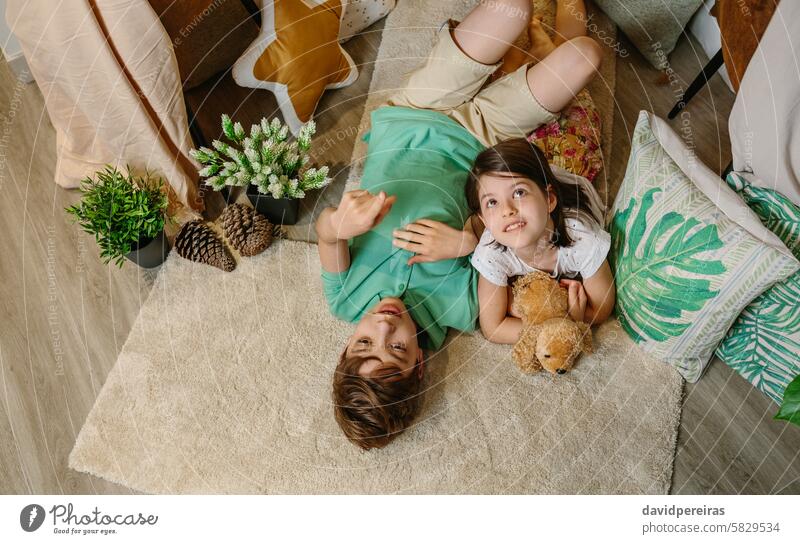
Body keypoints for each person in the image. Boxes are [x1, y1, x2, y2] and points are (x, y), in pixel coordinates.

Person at [316, 0, 603, 449]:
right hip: (481, 139)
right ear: (420, 364)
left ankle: (511, 49)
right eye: (396, 350)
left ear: (345, 346)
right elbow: (510, 244)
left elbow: (326, 234)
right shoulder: (462, 310)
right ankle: (540, 39)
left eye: (364, 343)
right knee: (584, 56)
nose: (384, 328)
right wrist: (468, 240)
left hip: (412, 112)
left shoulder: (344, 298)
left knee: (511, 8)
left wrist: (341, 222)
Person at [466, 138, 616, 345]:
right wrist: (553, 324)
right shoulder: (491, 251)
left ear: (549, 199)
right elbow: (493, 328)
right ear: (484, 222)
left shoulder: (582, 239)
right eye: (492, 202)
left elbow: (601, 309)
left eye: (518, 193)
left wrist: (570, 316)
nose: (507, 209)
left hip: (573, 197)